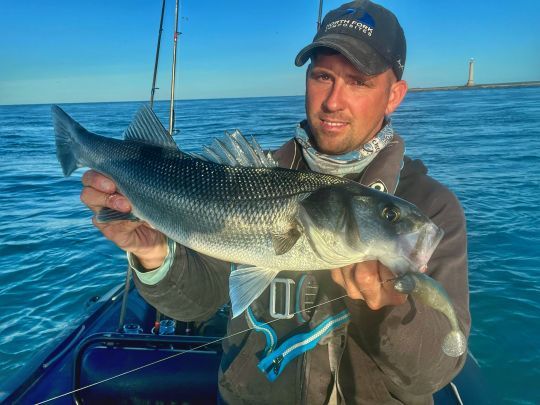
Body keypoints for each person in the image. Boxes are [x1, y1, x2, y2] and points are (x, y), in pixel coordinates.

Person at [81, 1, 470, 403]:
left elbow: (434, 371)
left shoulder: (430, 206)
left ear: (394, 95)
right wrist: (155, 255)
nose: (334, 101)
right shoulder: (251, 179)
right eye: (323, 76)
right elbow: (198, 302)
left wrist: (390, 311)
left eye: (359, 82)